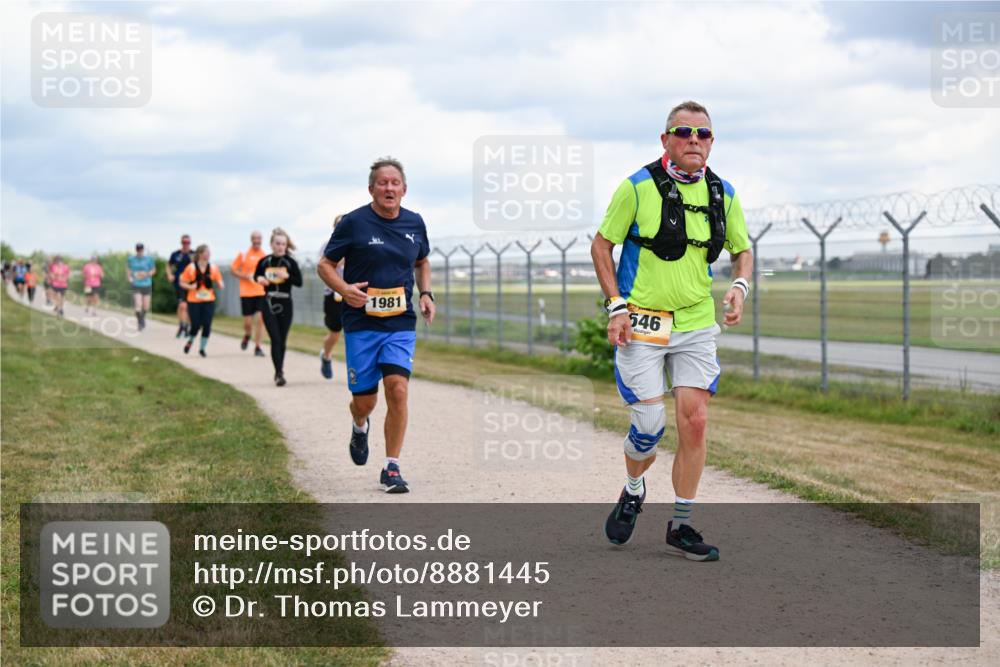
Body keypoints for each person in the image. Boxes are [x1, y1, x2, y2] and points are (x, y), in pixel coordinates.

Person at [591, 101, 752, 561]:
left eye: (703, 134)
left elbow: (742, 250)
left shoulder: (724, 193)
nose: (694, 140)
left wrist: (740, 286)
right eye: (683, 132)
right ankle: (633, 488)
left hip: (695, 322)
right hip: (641, 320)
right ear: (666, 140)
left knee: (695, 421)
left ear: (712, 142)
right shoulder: (637, 187)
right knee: (648, 427)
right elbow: (602, 246)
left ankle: (681, 524)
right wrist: (616, 307)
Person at [318, 157, 434, 494]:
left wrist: (426, 293)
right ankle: (359, 424)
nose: (389, 188)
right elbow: (325, 264)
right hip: (361, 323)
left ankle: (391, 467)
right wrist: (344, 289)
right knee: (365, 402)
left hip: (400, 322)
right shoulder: (353, 223)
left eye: (395, 183)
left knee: (397, 389)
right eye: (382, 183)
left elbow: (422, 261)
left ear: (404, 189)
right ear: (371, 189)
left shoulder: (415, 222)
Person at [254, 228, 303, 386]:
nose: (280, 246)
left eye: (283, 244)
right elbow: (256, 275)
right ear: (271, 244)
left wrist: (287, 276)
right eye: (277, 243)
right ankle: (279, 373)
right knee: (275, 338)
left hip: (285, 303)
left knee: (282, 340)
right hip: (269, 302)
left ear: (286, 245)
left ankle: (279, 370)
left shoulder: (290, 262)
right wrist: (260, 279)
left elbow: (299, 282)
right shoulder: (265, 261)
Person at [179, 244, 224, 357]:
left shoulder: (213, 268)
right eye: (206, 252)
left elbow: (220, 282)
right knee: (195, 325)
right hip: (193, 300)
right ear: (200, 254)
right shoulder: (191, 267)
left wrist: (220, 284)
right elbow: (182, 282)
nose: (208, 254)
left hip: (209, 300)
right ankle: (190, 341)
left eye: (209, 252)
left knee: (207, 325)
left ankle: (202, 349)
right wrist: (190, 287)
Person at [230, 231, 267, 357]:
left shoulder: (265, 255)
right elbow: (233, 269)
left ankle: (258, 347)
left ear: (261, 240)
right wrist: (245, 276)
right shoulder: (244, 255)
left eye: (259, 238)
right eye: (255, 238)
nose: (257, 240)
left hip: (260, 291)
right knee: (248, 323)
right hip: (246, 293)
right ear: (251, 240)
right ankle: (247, 335)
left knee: (261, 319)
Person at [319, 215, 347, 379]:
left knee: (355, 333)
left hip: (354, 293)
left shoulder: (357, 244)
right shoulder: (327, 246)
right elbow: (326, 266)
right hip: (333, 294)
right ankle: (326, 355)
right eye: (338, 225)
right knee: (335, 332)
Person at [166, 235, 194, 338]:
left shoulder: (194, 254)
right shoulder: (176, 254)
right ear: (181, 243)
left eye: (188, 242)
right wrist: (169, 274)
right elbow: (168, 265)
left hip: (192, 284)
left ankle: (187, 325)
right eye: (184, 242)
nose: (186, 244)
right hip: (180, 283)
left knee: (189, 307)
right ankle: (182, 325)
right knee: (183, 305)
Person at [127, 243, 156, 331]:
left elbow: (153, 270)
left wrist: (146, 274)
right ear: (136, 250)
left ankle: (142, 318)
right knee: (138, 303)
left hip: (146, 284)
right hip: (136, 284)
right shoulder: (131, 259)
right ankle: (140, 322)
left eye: (141, 249)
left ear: (143, 250)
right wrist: (129, 277)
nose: (139, 251)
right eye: (138, 249)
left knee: (146, 306)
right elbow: (129, 269)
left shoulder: (149, 259)